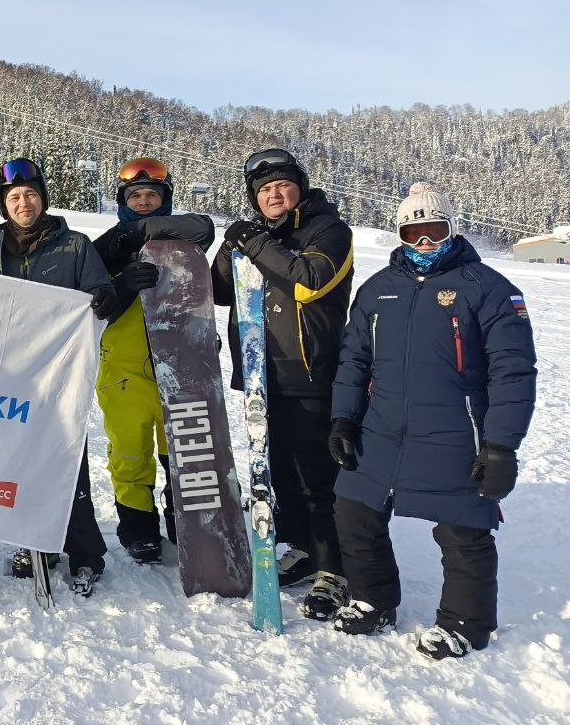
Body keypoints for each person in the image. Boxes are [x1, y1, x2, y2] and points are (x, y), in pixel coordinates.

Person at [327, 183, 536, 660]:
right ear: (400, 234)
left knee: (463, 526)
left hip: (456, 433)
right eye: (412, 231)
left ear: (452, 229)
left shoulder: (488, 288)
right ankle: (373, 599)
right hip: (381, 429)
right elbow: (354, 361)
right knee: (354, 509)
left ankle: (465, 624)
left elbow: (513, 369)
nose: (424, 242)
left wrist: (501, 446)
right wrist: (343, 419)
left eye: (433, 230)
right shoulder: (379, 289)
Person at [211, 148, 353, 621]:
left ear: (300, 189)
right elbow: (220, 290)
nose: (273, 195)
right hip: (261, 373)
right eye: (263, 189)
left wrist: (254, 244)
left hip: (310, 371)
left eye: (282, 186)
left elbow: (309, 280)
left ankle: (335, 568)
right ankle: (304, 549)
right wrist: (229, 248)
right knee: (279, 472)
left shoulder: (329, 230)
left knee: (318, 476)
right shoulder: (262, 234)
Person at [0, 157, 115, 597]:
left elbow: (104, 292)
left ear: (42, 197)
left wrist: (101, 296)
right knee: (22, 459)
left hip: (63, 374)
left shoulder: (74, 245)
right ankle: (36, 542)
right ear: (3, 204)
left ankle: (85, 552)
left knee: (66, 459)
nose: (22, 203)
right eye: (13, 197)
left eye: (29, 195)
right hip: (14, 375)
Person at [92, 157, 215, 564]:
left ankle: (184, 522)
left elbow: (206, 228)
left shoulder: (182, 238)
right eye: (135, 196)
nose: (143, 202)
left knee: (182, 449)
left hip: (178, 363)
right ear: (122, 200)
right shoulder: (106, 245)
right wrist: (121, 283)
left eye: (151, 195)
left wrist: (141, 233)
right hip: (122, 369)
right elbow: (92, 303)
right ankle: (138, 527)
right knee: (130, 454)